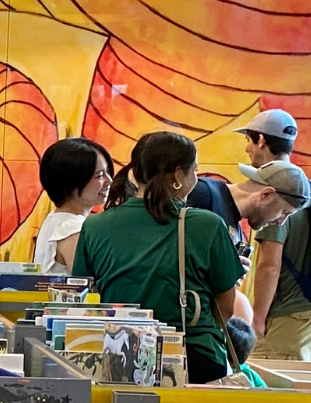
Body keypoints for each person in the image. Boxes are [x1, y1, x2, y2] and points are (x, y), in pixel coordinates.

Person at [71, 132, 245, 383]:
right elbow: (225, 307)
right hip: (194, 357)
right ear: (177, 175)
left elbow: (85, 296)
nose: (196, 179)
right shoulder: (206, 225)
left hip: (119, 355)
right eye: (194, 171)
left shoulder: (95, 226)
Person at [236, 113, 311, 361]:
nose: (247, 148)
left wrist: (256, 319)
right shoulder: (304, 185)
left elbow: (270, 264)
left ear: (261, 142)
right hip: (310, 314)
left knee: (271, 389)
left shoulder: (276, 188)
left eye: (248, 140)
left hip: (284, 317)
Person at [32, 138, 114, 274]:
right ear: (72, 182)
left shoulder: (56, 219)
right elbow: (88, 283)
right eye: (99, 175)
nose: (109, 181)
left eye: (108, 172)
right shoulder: (72, 228)